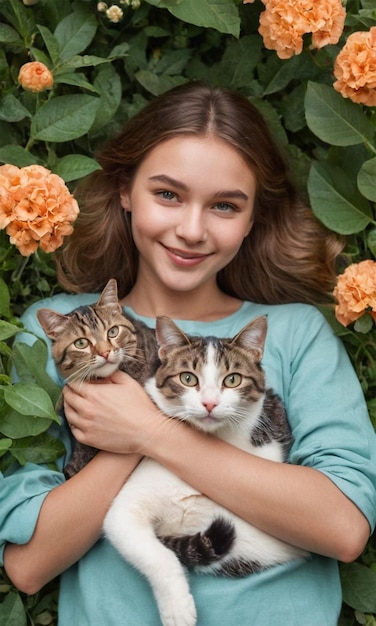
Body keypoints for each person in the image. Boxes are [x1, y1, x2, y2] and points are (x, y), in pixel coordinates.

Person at [1, 82, 376, 626]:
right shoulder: (58, 335)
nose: (192, 230)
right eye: (168, 195)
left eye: (224, 205)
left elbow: (343, 529)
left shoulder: (296, 333)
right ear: (126, 190)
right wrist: (129, 446)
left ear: (252, 219)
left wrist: (149, 430)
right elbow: (30, 565)